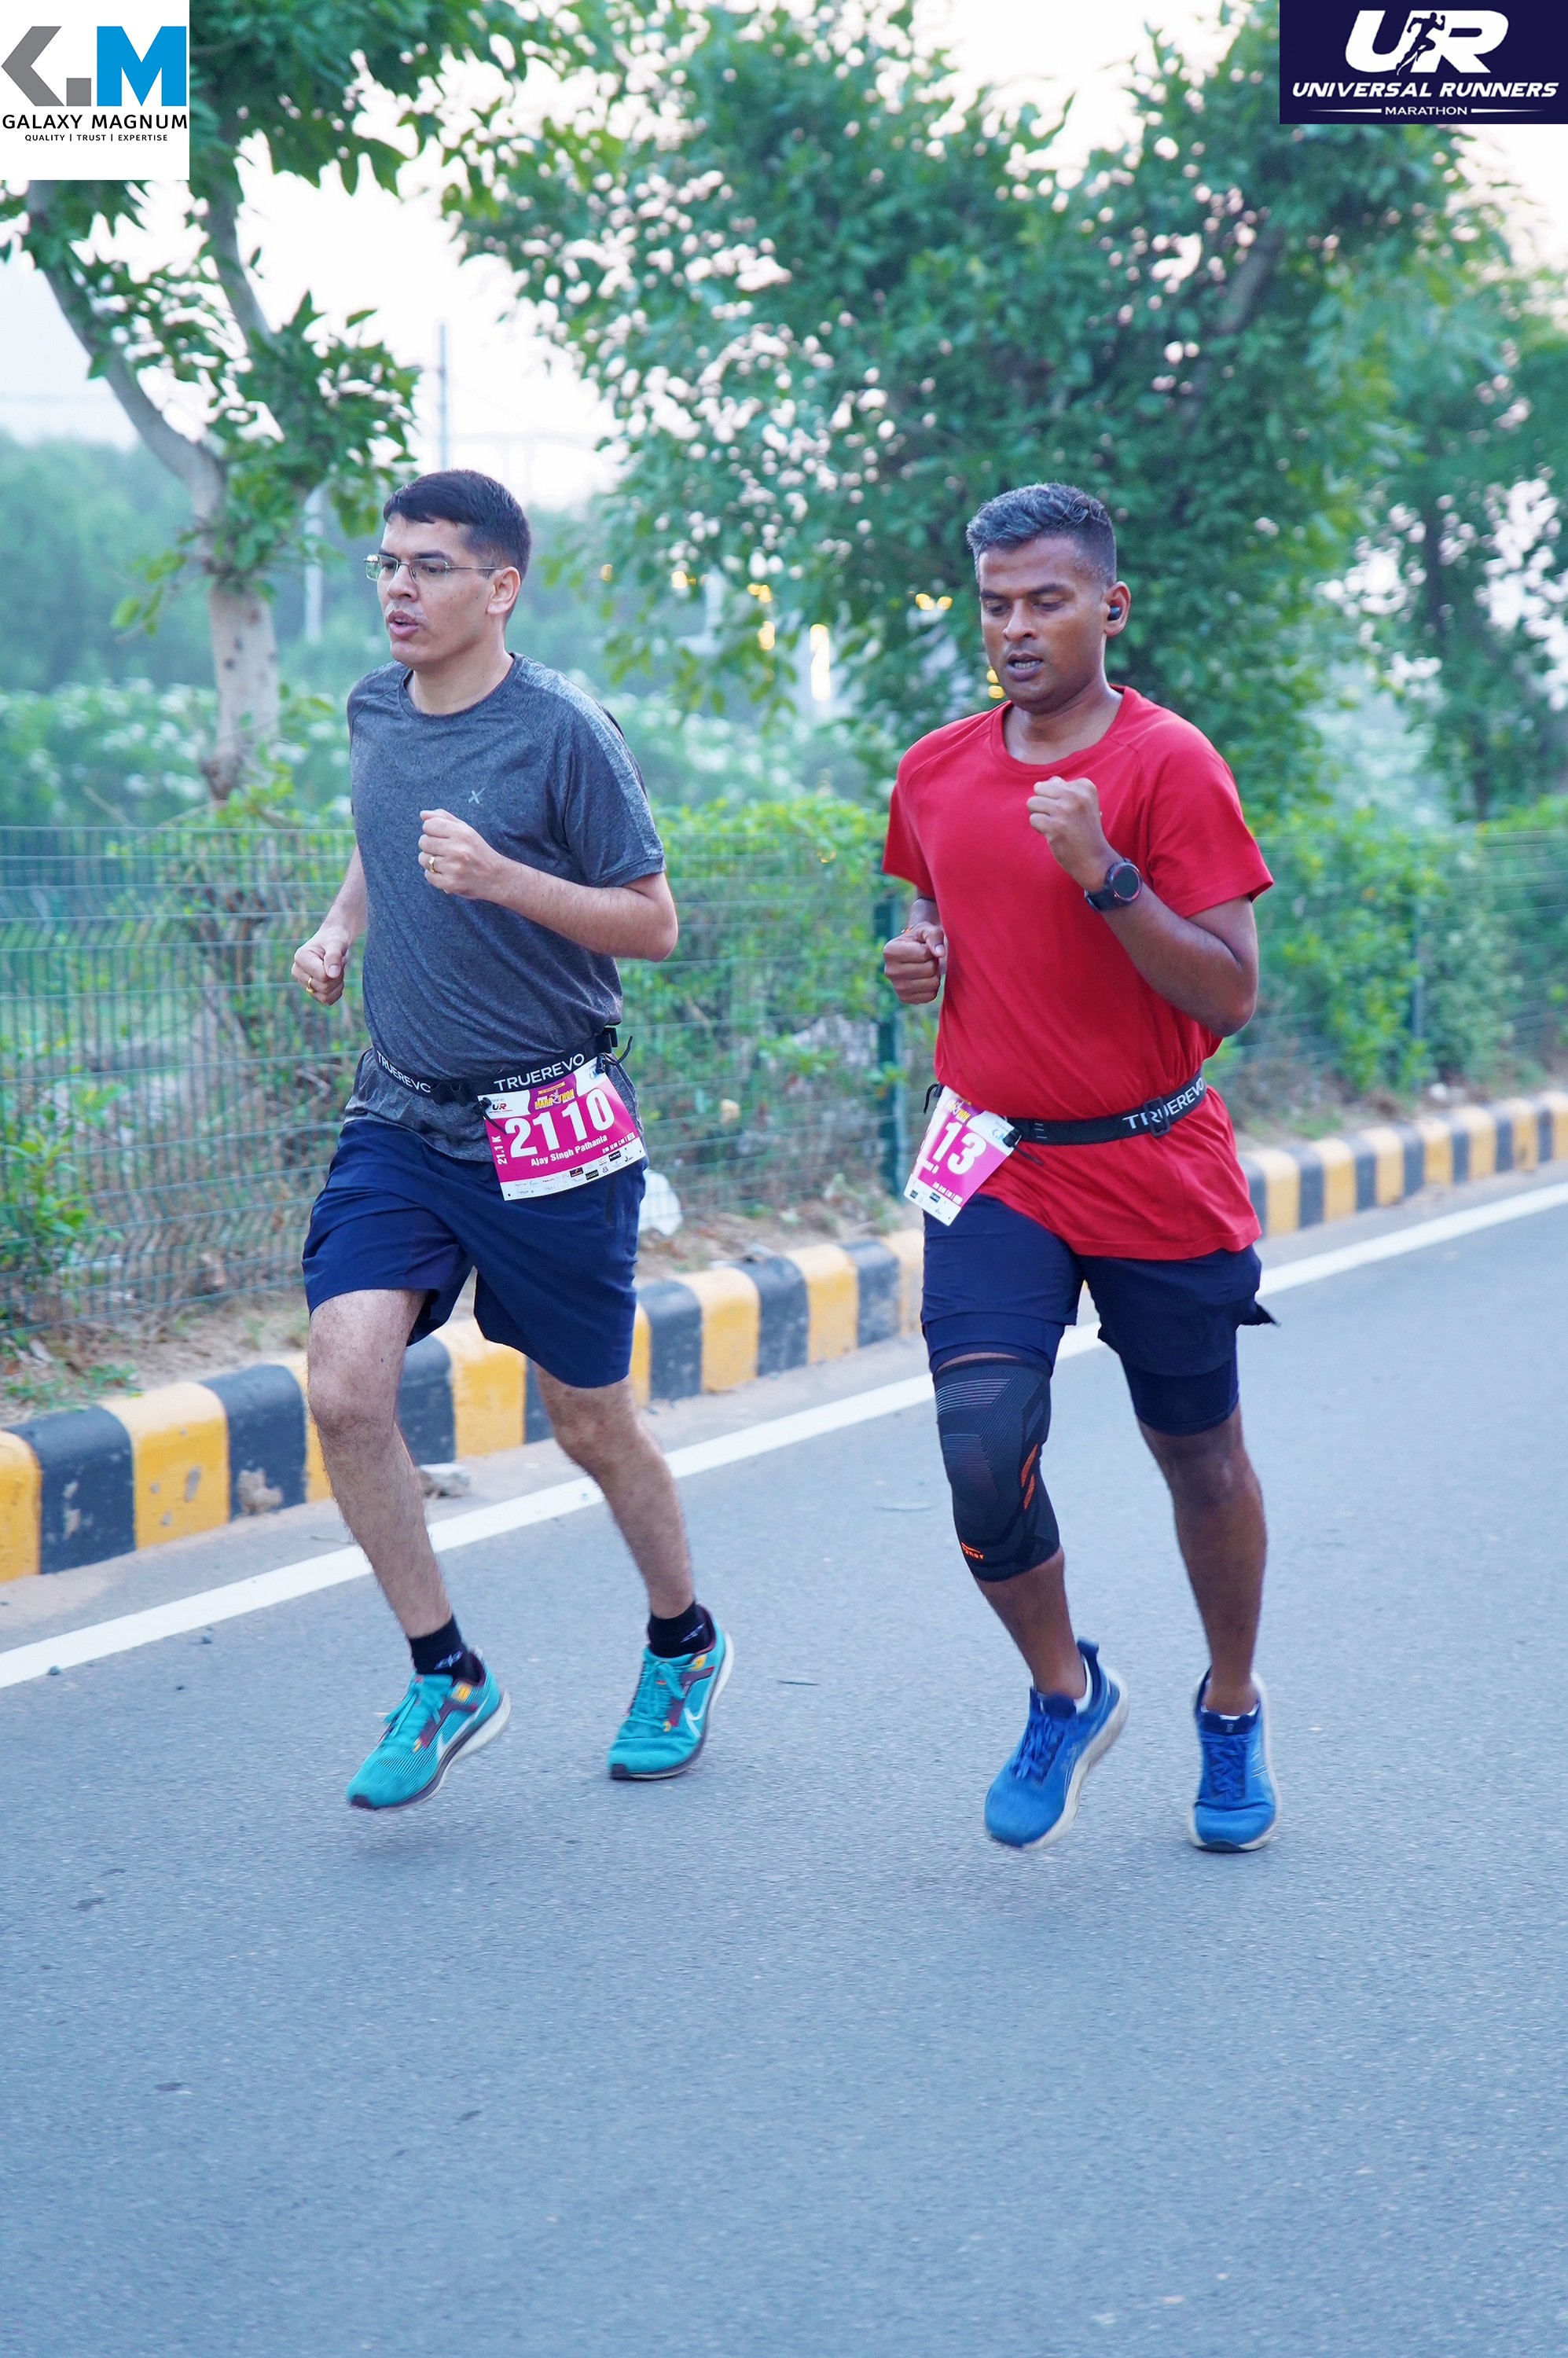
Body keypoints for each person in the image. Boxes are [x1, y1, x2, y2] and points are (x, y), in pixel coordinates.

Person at [291, 468, 731, 1811]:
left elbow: (654, 923)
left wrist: (504, 880)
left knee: (588, 1422)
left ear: (500, 587)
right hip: (403, 1114)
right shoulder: (375, 708)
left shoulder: (563, 733)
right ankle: (446, 1675)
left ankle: (683, 1643)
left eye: (429, 567)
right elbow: (384, 836)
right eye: (386, 563)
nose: (398, 588)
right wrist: (341, 927)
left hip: (550, 1120)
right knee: (343, 1387)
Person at [883, 481, 1278, 1855]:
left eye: (1046, 601)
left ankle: (1230, 1705)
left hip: (1153, 1158)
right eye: (995, 604)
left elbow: (1230, 994)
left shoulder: (1172, 765)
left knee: (1201, 1458)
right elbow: (936, 914)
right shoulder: (934, 769)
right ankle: (1067, 1690)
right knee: (982, 1444)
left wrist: (1106, 870)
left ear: (1110, 607)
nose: (1016, 628)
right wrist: (919, 961)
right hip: (995, 1162)